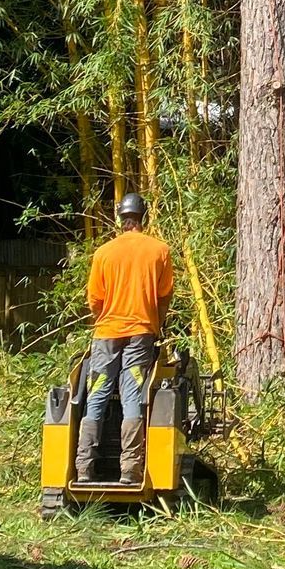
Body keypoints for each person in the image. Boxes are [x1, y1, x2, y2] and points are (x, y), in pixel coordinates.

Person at [76, 193, 176, 485]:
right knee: (132, 395)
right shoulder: (159, 250)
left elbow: (95, 299)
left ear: (121, 219)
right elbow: (164, 295)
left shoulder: (104, 253)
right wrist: (156, 322)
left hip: (106, 335)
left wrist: (105, 319)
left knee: (96, 395)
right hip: (141, 335)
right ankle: (130, 470)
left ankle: (84, 469)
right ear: (143, 217)